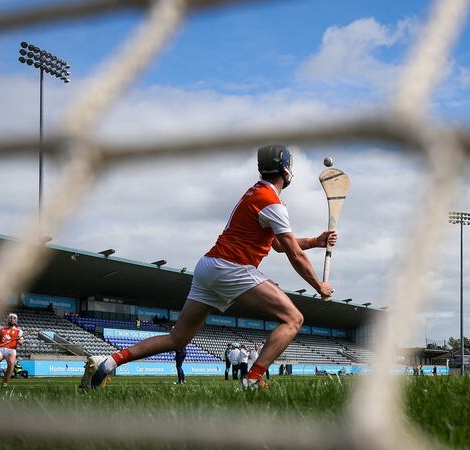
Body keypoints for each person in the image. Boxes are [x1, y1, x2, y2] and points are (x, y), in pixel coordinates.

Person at [81, 145, 336, 390]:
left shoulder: (257, 194)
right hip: (232, 267)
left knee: (178, 338)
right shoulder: (272, 202)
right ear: (287, 170)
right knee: (293, 318)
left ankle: (110, 361)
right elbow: (293, 253)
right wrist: (318, 285)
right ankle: (252, 380)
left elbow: (280, 246)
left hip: (209, 266)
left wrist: (315, 241)